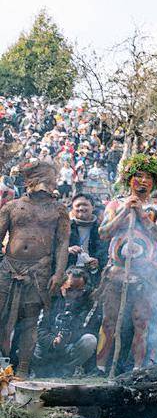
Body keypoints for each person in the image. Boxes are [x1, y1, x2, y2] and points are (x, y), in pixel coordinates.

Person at [96, 154, 157, 373]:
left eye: (148, 177)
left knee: (141, 322)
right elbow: (103, 232)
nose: (143, 181)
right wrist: (125, 210)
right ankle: (100, 368)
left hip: (145, 276)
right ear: (129, 179)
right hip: (116, 273)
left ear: (154, 182)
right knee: (109, 321)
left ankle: (137, 368)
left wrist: (141, 214)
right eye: (138, 176)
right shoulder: (115, 203)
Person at [0, 161, 70, 376]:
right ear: (29, 181)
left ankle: (22, 368)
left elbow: (62, 244)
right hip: (9, 268)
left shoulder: (59, 210)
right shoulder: (12, 206)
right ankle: (3, 368)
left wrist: (59, 273)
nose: (45, 184)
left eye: (49, 179)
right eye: (40, 178)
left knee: (30, 321)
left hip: (38, 272)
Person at [33, 267, 101, 376]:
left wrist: (67, 337)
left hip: (69, 348)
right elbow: (39, 328)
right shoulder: (49, 297)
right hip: (45, 348)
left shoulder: (89, 301)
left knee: (90, 340)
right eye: (70, 289)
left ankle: (66, 370)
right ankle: (37, 369)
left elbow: (88, 328)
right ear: (62, 285)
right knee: (28, 339)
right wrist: (54, 341)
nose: (73, 294)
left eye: (79, 291)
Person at [67, 193, 104, 274]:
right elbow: (55, 248)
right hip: (69, 271)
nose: (81, 208)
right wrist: (68, 250)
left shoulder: (100, 228)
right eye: (78, 205)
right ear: (72, 208)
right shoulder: (65, 227)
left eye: (85, 205)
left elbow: (105, 251)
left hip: (92, 272)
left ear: (93, 207)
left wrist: (98, 262)